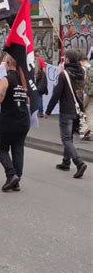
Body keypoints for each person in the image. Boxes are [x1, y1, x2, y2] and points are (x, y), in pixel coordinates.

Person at [0, 55, 30, 192]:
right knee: (18, 149)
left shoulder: (6, 79)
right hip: (23, 119)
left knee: (0, 147)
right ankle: (16, 179)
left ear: (7, 63)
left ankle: (11, 174)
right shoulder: (24, 79)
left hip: (9, 121)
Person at [45, 49, 88, 179]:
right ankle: (66, 162)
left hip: (66, 110)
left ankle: (79, 162)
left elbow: (56, 94)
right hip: (77, 110)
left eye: (65, 58)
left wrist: (48, 111)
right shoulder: (81, 73)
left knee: (66, 139)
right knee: (69, 137)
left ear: (68, 60)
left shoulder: (64, 75)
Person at [79, 53, 92, 141]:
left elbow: (87, 80)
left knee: (87, 111)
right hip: (89, 93)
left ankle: (89, 132)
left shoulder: (90, 66)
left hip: (90, 93)